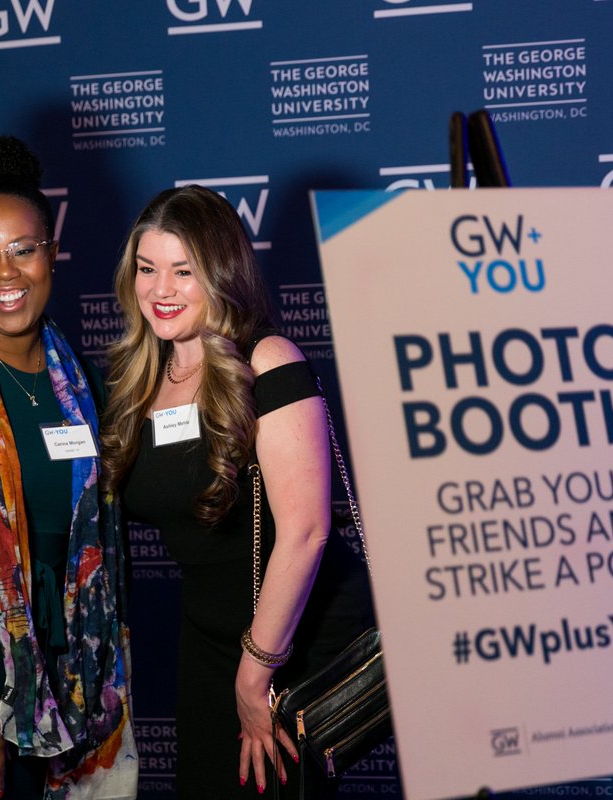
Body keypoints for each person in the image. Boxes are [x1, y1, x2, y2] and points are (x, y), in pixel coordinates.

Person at [101, 185, 375, 799]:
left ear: (221, 272)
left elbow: (306, 530)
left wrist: (256, 673)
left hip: (285, 639)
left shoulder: (267, 359)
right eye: (147, 269)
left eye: (183, 271)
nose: (160, 289)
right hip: (206, 638)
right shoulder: (141, 373)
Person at [0, 135, 136, 800]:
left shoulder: (75, 379)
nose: (4, 273)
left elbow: (138, 462)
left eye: (22, 249)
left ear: (50, 254)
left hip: (65, 684)